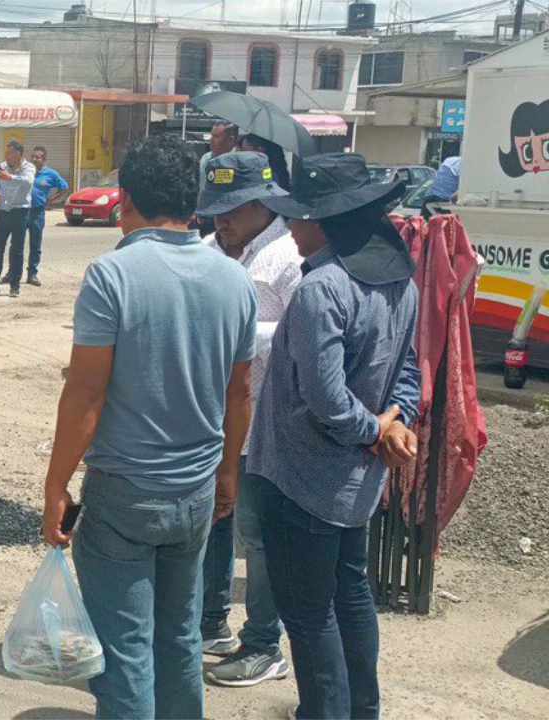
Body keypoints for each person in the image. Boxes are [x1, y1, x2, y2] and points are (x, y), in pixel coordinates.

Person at [41, 134, 258, 719]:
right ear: (193, 202)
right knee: (180, 637)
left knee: (125, 653)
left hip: (125, 495)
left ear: (126, 198)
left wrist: (55, 486)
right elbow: (239, 394)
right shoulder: (233, 279)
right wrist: (228, 474)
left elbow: (86, 393)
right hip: (195, 492)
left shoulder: (112, 276)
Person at [248, 153, 421, 720]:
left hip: (302, 481)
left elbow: (323, 398)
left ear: (322, 222)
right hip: (357, 483)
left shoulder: (322, 288)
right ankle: (360, 710)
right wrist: (392, 424)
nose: (291, 229)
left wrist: (376, 428)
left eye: (298, 218)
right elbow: (409, 374)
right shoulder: (399, 280)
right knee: (350, 597)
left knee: (307, 613)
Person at [194, 152, 303, 688]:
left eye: (231, 210)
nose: (221, 221)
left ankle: (263, 643)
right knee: (213, 521)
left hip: (265, 425)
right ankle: (209, 622)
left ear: (263, 204)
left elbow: (303, 335)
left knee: (258, 538)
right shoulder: (211, 250)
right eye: (213, 210)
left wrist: (238, 332)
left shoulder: (288, 257)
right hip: (214, 421)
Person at [0, 140, 35, 298]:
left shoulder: (28, 167)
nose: (8, 156)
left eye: (10, 152)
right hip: (4, 212)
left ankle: (15, 285)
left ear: (19, 153)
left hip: (21, 212)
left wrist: (9, 177)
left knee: (17, 251)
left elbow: (28, 181)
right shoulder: (2, 167)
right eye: (7, 153)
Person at [24, 145, 69, 287]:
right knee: (16, 244)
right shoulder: (26, 171)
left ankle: (32, 274)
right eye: (33, 156)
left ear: (44, 159)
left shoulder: (51, 174)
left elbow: (64, 188)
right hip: (22, 211)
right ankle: (12, 273)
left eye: (38, 157)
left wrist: (51, 200)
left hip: (37, 213)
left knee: (35, 245)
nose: (34, 159)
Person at [195, 122, 239, 236]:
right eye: (211, 135)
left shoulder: (239, 162)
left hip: (225, 222)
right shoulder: (206, 158)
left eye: (216, 136)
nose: (211, 140)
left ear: (231, 140)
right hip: (202, 219)